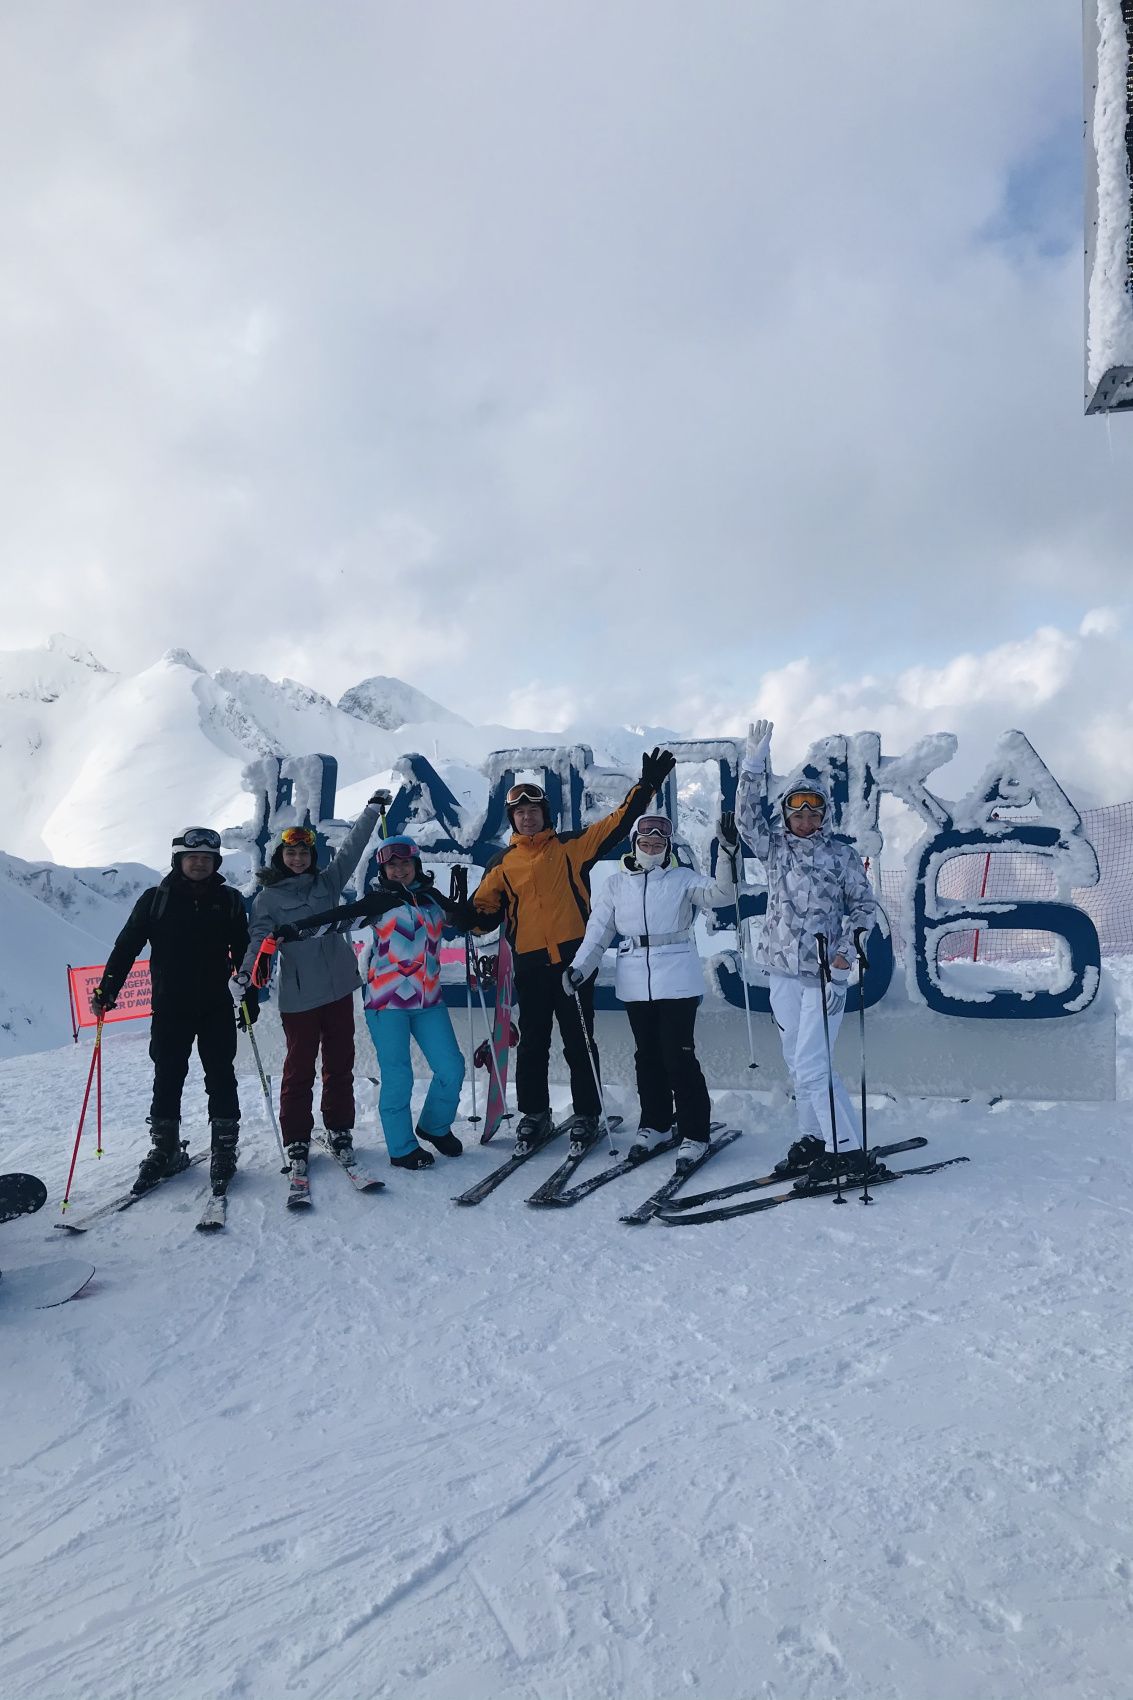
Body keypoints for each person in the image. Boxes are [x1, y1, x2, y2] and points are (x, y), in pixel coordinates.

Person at [462, 750, 674, 1153]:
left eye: (534, 811)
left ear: (547, 815)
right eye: (520, 813)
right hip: (528, 963)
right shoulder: (502, 863)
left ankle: (587, 1113)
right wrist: (464, 916)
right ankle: (535, 1114)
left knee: (579, 1041)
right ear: (512, 820)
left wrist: (645, 786)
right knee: (533, 1043)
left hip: (573, 962)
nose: (528, 818)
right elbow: (484, 915)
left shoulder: (571, 846)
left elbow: (618, 823)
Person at [736, 718, 880, 1180]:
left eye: (812, 811)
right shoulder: (774, 848)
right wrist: (754, 765)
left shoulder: (840, 855)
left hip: (824, 975)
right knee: (798, 1062)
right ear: (786, 815)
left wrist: (844, 955)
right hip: (781, 973)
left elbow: (864, 908)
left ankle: (847, 1151)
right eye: (796, 812)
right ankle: (814, 1136)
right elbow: (744, 818)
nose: (804, 819)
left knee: (815, 1064)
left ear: (825, 815)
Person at [275, 835, 469, 1171]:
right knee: (399, 1076)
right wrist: (293, 929)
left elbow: (464, 919)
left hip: (430, 1001)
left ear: (416, 864)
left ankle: (435, 1125)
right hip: (387, 1003)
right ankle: (402, 1147)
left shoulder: (431, 898)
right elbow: (335, 917)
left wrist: (479, 912)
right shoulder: (378, 903)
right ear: (383, 869)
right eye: (391, 865)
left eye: (405, 863)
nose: (399, 870)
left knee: (452, 1067)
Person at [564, 811, 736, 1170]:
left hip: (676, 976)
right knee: (647, 1056)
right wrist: (580, 967)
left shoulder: (682, 879)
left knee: (678, 1055)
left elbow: (722, 894)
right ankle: (655, 1123)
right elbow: (598, 932)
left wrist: (728, 852)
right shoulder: (615, 885)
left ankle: (694, 1132)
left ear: (667, 847)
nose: (653, 846)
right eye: (646, 842)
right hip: (635, 980)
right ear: (635, 844)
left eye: (659, 843)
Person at [92, 827, 253, 1197]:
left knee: (221, 1076)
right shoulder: (155, 900)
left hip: (215, 1005)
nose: (199, 864)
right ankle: (165, 1149)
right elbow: (126, 946)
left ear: (215, 863)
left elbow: (244, 953)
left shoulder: (228, 900)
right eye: (192, 857)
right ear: (178, 860)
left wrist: (250, 998)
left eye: (207, 859)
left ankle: (224, 1148)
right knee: (168, 1076)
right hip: (170, 1006)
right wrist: (107, 989)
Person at [235, 796, 384, 1185]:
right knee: (299, 1070)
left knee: (340, 1065)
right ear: (279, 856)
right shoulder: (268, 899)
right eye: (291, 852)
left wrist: (370, 811)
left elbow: (351, 850)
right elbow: (258, 941)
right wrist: (245, 975)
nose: (298, 859)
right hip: (299, 998)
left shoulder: (327, 882)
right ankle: (297, 1138)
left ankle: (339, 1129)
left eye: (304, 852)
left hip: (338, 988)